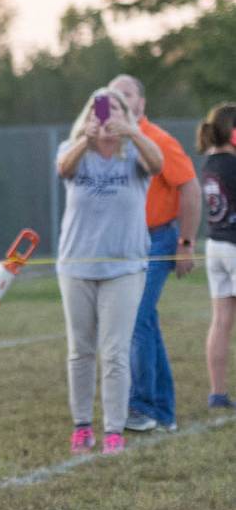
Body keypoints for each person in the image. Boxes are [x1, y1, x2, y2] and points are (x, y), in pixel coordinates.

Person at [55, 88, 164, 454]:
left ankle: (114, 429)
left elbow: (158, 165)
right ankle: (82, 425)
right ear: (88, 116)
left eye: (115, 108)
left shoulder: (135, 153)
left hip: (125, 267)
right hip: (77, 266)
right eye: (100, 110)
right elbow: (63, 170)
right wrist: (85, 141)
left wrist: (131, 132)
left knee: (115, 351)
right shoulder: (74, 150)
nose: (107, 116)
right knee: (80, 350)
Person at [110, 75, 200, 433]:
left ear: (141, 103)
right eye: (114, 95)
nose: (120, 99)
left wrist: (186, 243)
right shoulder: (109, 144)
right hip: (126, 244)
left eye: (127, 93)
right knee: (144, 322)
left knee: (136, 320)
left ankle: (143, 407)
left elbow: (190, 189)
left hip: (158, 240)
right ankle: (162, 410)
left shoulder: (159, 140)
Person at [197, 103, 236, 410]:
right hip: (233, 247)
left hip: (215, 247)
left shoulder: (210, 162)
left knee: (221, 321)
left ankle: (217, 393)